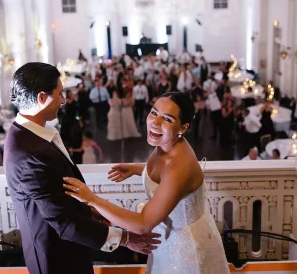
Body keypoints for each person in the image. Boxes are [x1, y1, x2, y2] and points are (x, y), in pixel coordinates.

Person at [3, 63, 160, 274]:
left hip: (70, 248)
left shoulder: (31, 133)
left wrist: (95, 213)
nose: (63, 100)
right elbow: (64, 222)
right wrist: (126, 238)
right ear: (42, 98)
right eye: (59, 94)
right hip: (55, 259)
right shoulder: (29, 154)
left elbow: (61, 194)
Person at [64, 92, 230, 274]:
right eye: (153, 113)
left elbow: (143, 224)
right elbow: (165, 175)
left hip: (185, 248)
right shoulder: (169, 144)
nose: (155, 122)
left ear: (183, 128)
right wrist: (139, 169)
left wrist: (92, 200)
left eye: (167, 119)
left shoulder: (179, 167)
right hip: (167, 237)